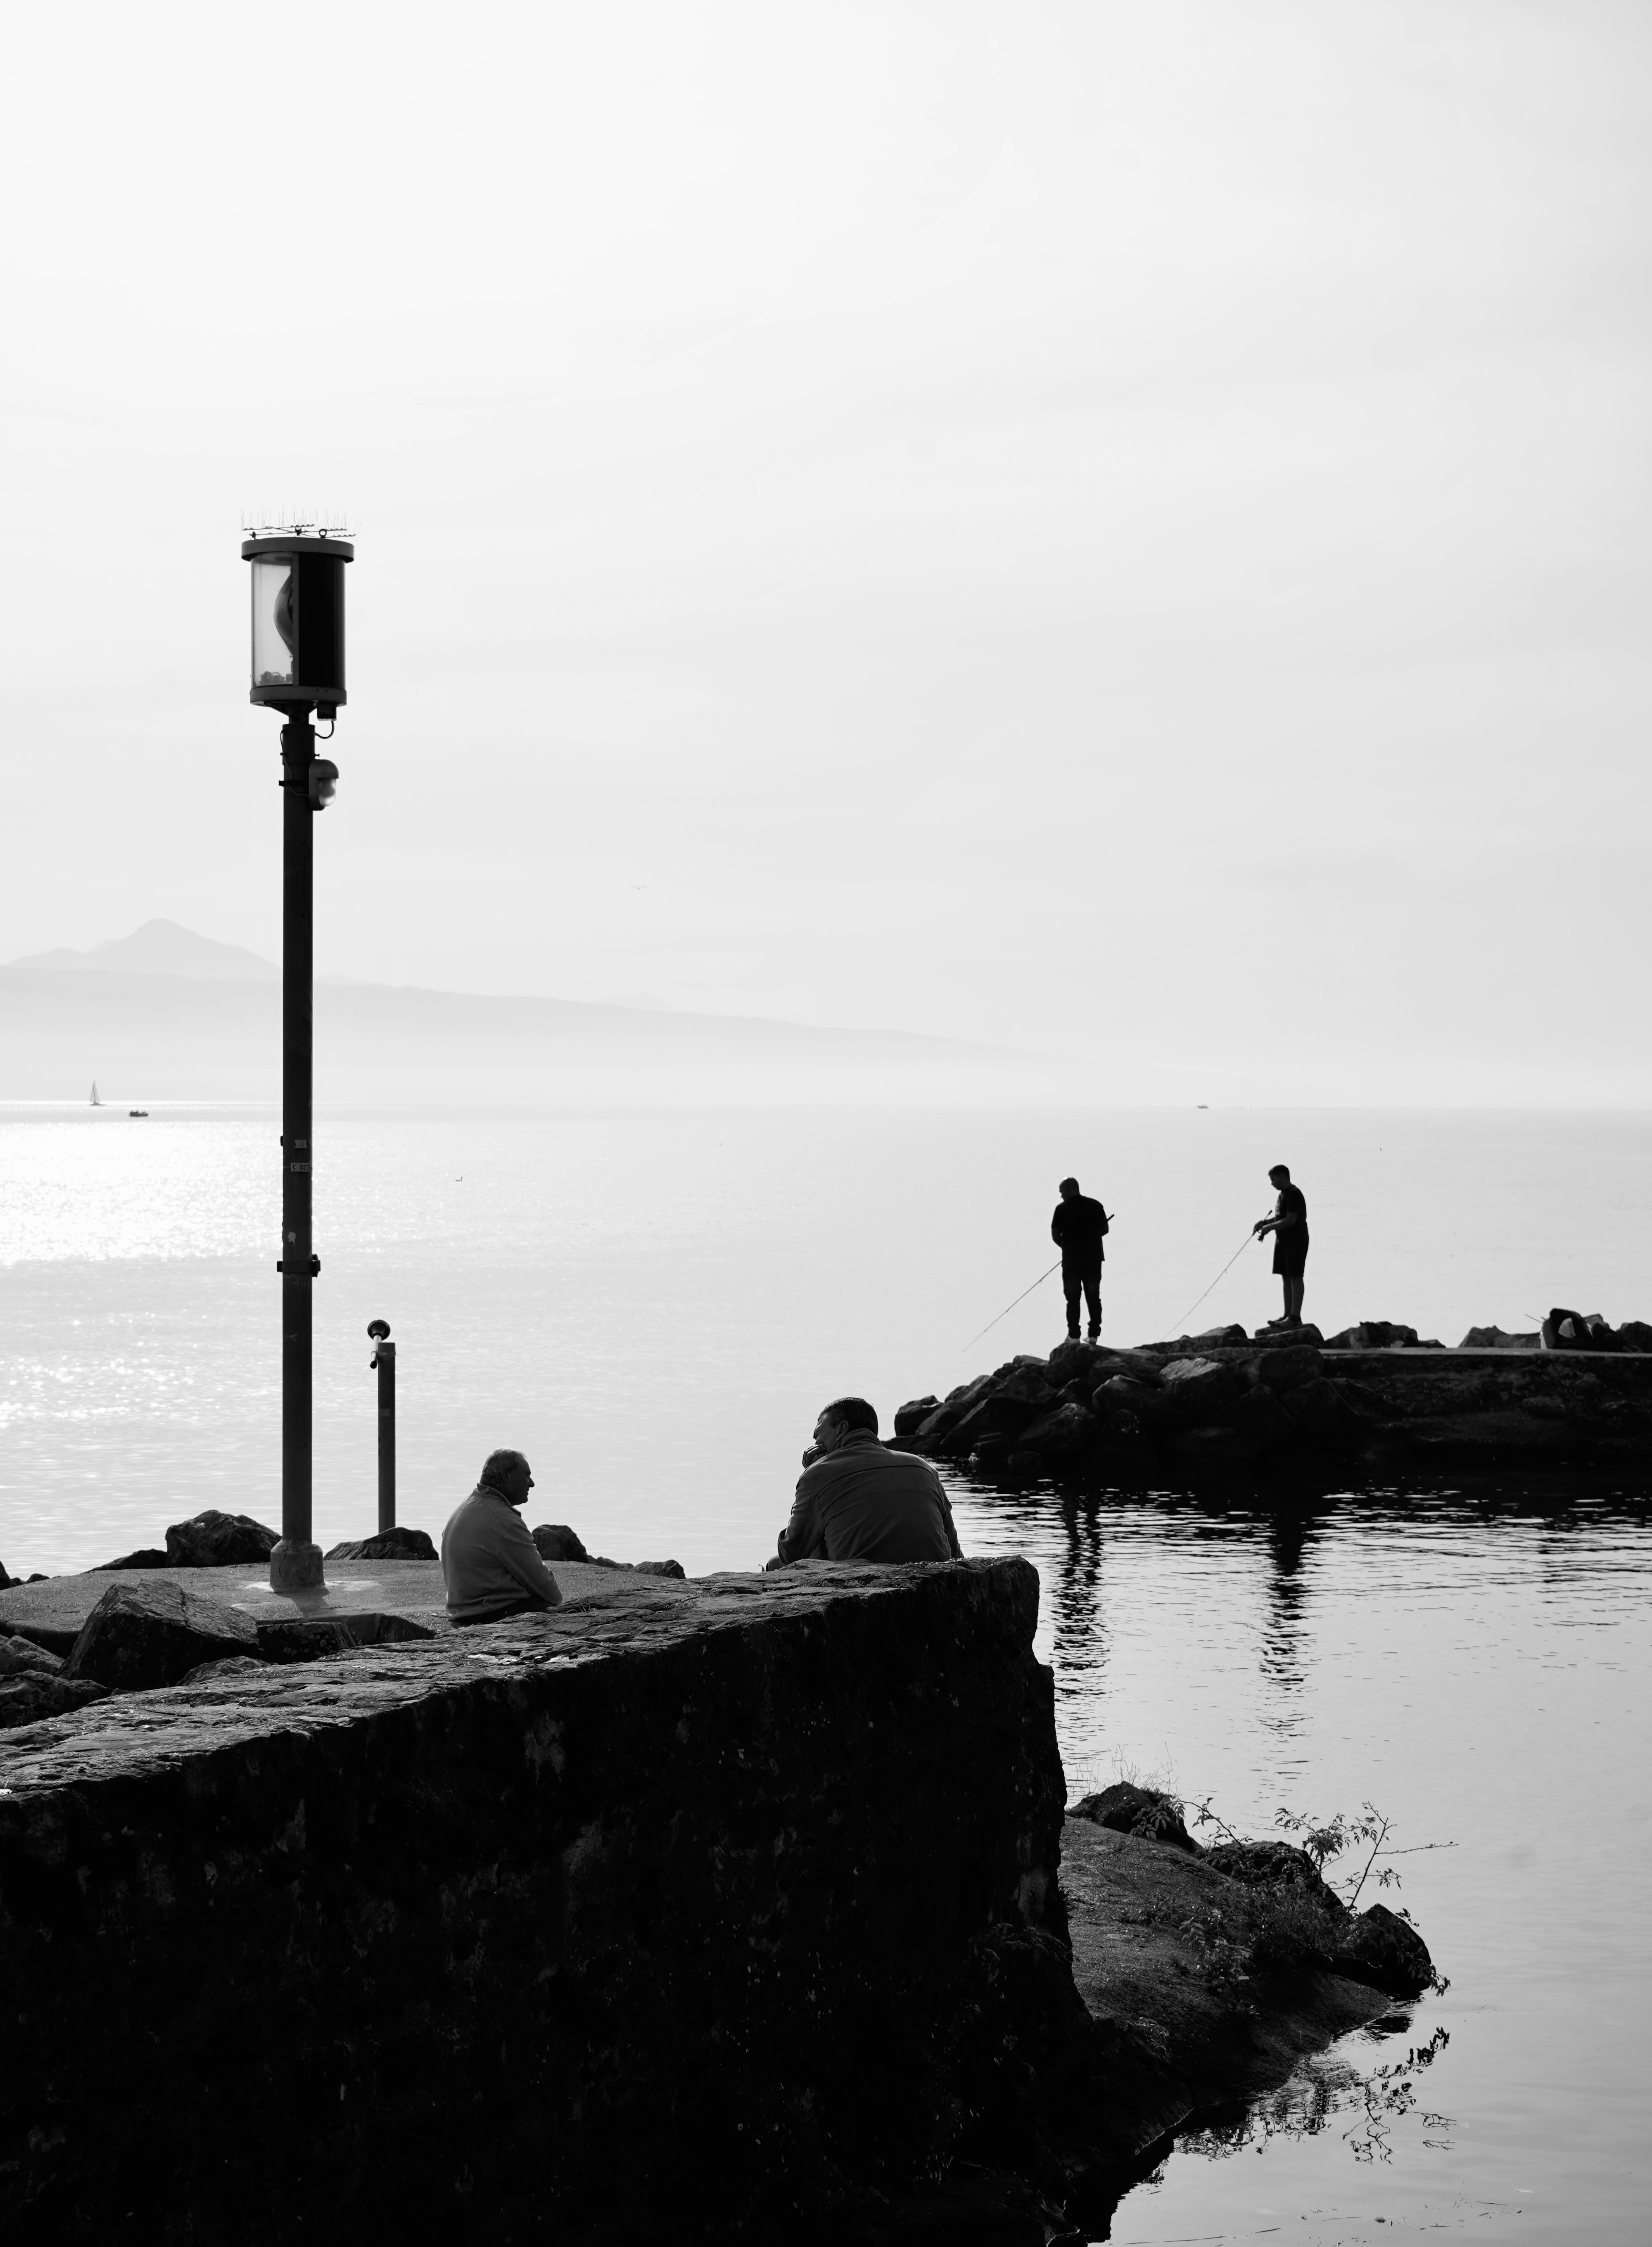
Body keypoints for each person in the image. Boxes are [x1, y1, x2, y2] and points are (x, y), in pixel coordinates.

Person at [767, 1397, 962, 1568]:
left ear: (842, 1429)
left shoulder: (818, 1474)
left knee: (775, 1563)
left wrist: (811, 1475)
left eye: (818, 1434)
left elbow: (791, 1553)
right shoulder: (924, 1468)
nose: (816, 1443)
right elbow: (955, 1553)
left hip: (863, 1588)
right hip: (934, 1579)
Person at [441, 1448, 565, 1625]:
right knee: (559, 1616)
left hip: (462, 1609)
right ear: (506, 1476)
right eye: (526, 1475)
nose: (532, 1484)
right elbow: (546, 1586)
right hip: (488, 1613)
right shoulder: (504, 1521)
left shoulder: (469, 1505)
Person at [1050, 1175, 1108, 1342]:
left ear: (1068, 1191)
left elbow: (1055, 1235)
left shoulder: (1061, 1209)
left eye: (1062, 1192)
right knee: (1093, 1296)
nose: (1061, 1196)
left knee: (1073, 1298)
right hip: (1094, 1259)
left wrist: (1068, 1247)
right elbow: (1105, 1229)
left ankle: (1074, 1336)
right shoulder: (1096, 1206)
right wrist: (1090, 1240)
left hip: (1071, 1262)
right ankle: (1093, 1335)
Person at [1253, 1164, 1310, 1329]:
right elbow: (1280, 1217)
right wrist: (1265, 1223)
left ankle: (1295, 1317)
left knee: (1295, 1276)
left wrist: (1270, 1228)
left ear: (1283, 1176)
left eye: (1274, 1179)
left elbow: (1291, 1220)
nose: (1272, 1184)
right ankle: (1287, 1315)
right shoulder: (1282, 1195)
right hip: (1283, 1241)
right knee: (1286, 1276)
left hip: (1296, 1240)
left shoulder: (1293, 1194)